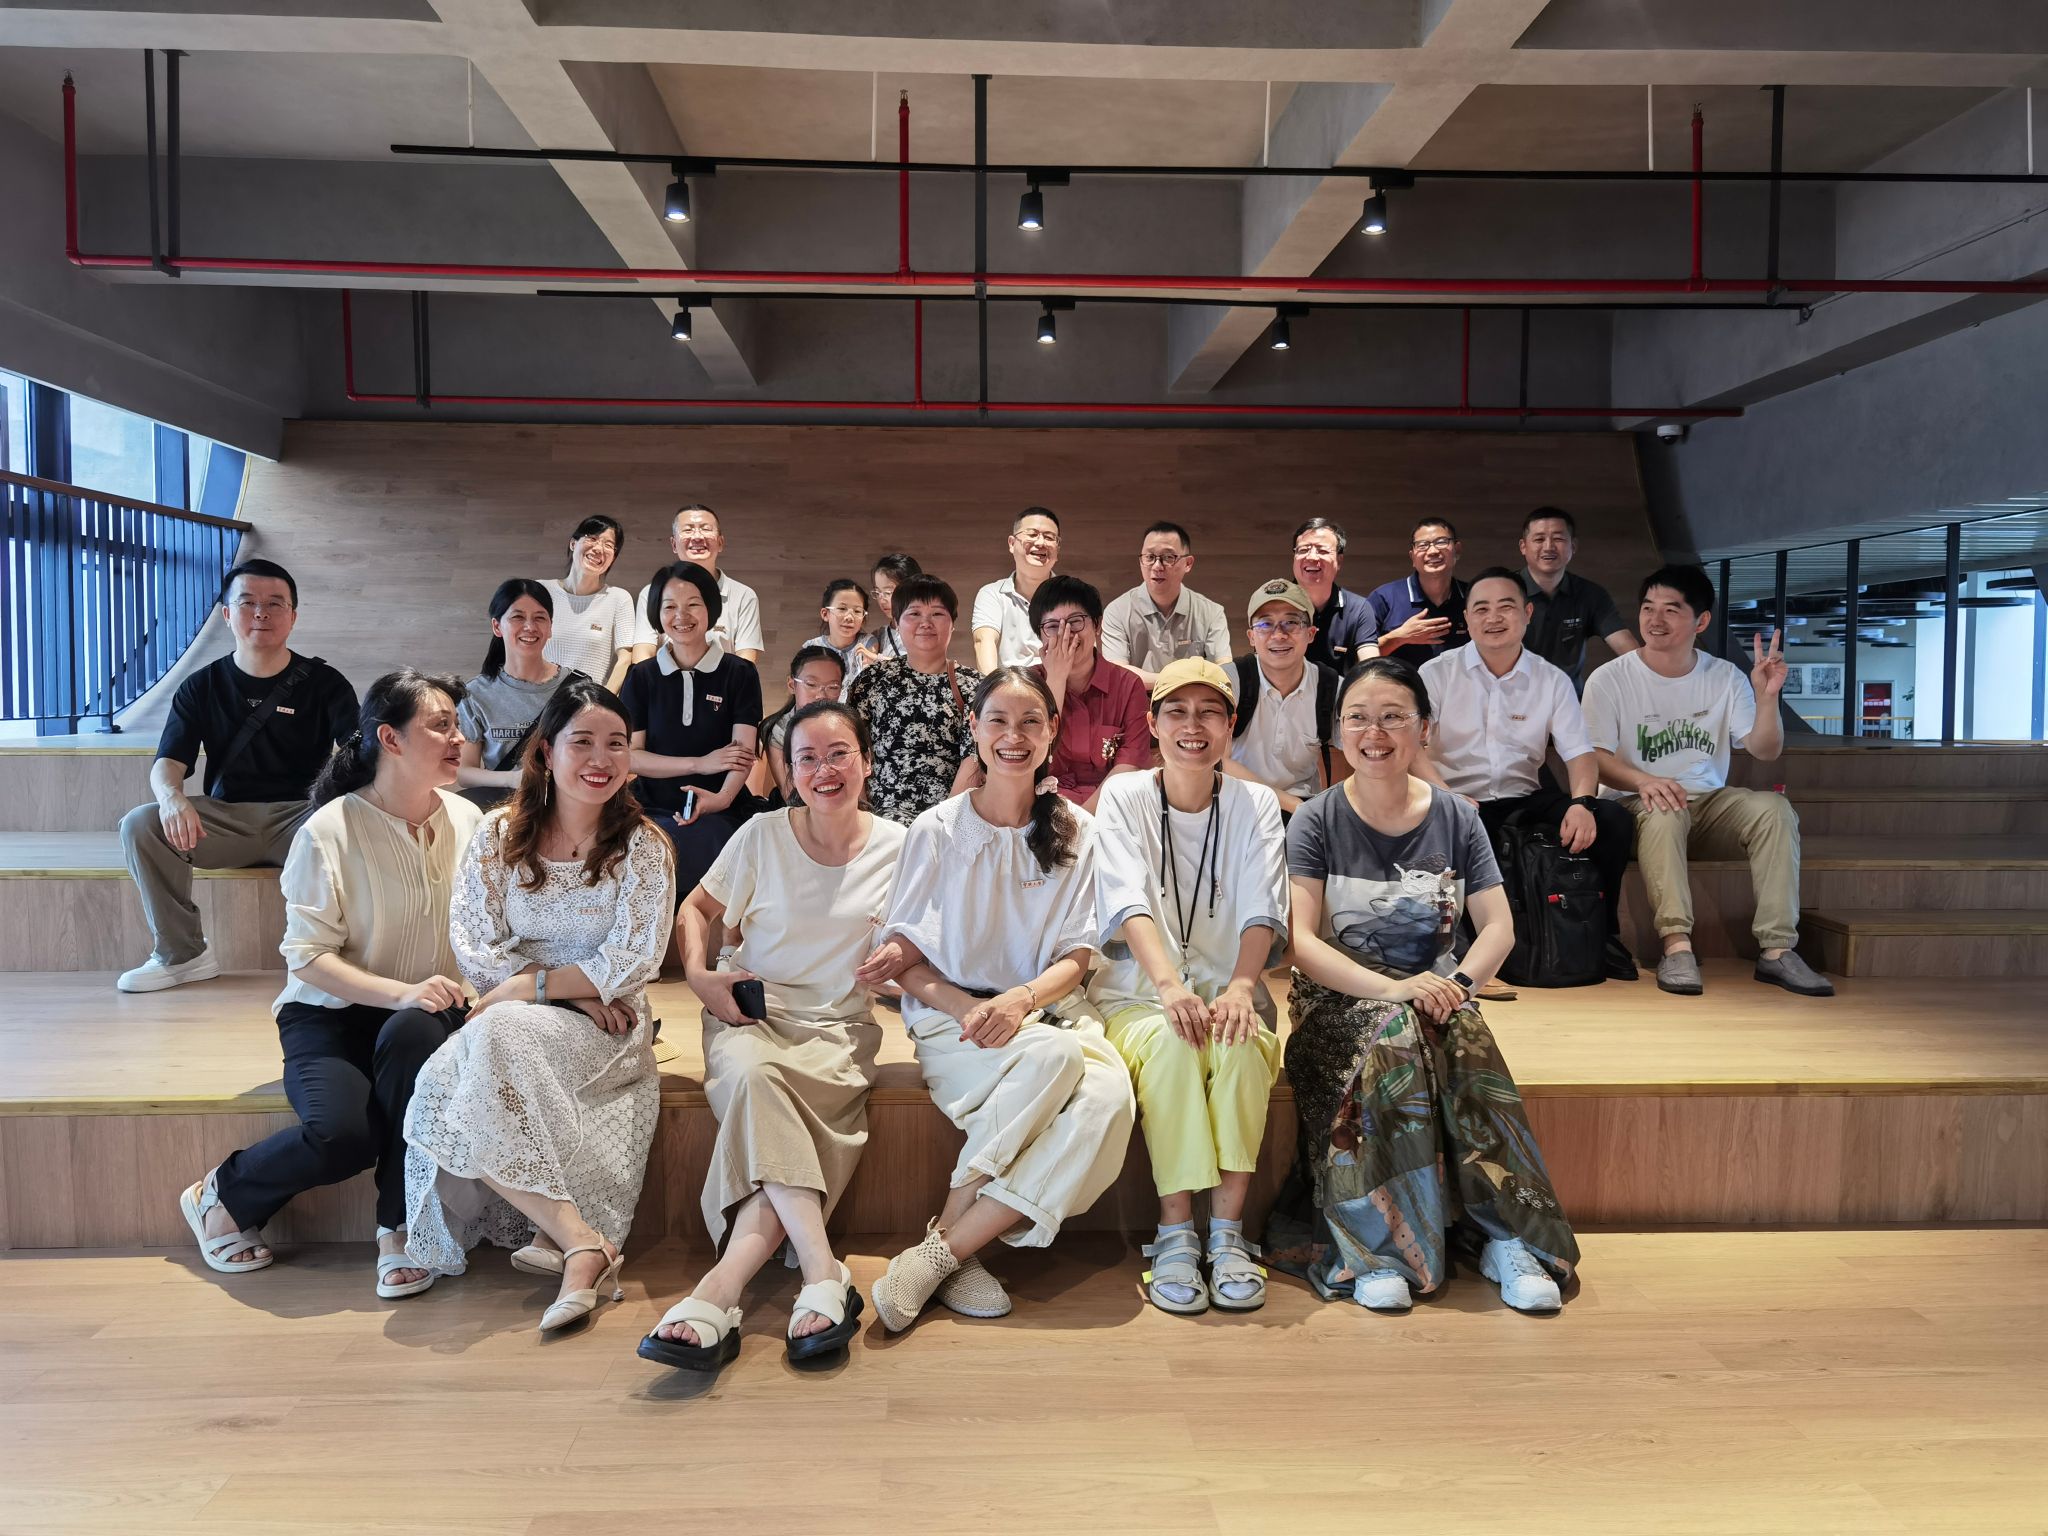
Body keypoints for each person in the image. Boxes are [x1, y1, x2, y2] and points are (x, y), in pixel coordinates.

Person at [1269, 657, 1578, 1315]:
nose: (1373, 733)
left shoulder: (1457, 817)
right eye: (1358, 718)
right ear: (1339, 731)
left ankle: (1507, 1238)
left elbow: (1497, 927)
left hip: (1436, 994)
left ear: (1424, 729)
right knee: (1396, 1036)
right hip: (1339, 1001)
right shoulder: (1318, 818)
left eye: (1392, 717)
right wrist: (1394, 991)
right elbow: (1301, 943)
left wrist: (1457, 985)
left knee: (1464, 1035)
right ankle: (1376, 1251)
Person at [178, 670, 480, 1299]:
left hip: (427, 1014)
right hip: (330, 1014)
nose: (459, 738)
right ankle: (223, 1194)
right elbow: (309, 959)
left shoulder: (469, 819)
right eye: (441, 725)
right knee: (346, 1136)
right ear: (390, 739)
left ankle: (398, 1229)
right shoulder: (328, 829)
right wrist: (400, 992)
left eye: (457, 724)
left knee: (413, 1037)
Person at [858, 667, 1136, 1333]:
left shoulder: (1077, 829)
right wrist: (968, 1008)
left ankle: (945, 1247)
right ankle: (957, 1252)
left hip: (1047, 1010)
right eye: (999, 722)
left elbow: (1077, 956)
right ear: (975, 731)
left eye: (1031, 722)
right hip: (954, 1021)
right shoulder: (937, 829)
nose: (1015, 736)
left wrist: (1019, 1001)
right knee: (1052, 1059)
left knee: (1109, 1098)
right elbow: (907, 962)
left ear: (1051, 733)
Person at [402, 677, 676, 1334]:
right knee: (479, 1049)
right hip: (542, 1009)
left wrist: (531, 989)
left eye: (616, 743)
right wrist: (557, 989)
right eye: (582, 742)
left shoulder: (645, 846)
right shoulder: (498, 833)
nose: (601, 759)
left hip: (609, 1026)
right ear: (546, 751)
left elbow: (634, 959)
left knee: (493, 1033)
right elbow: (475, 942)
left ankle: (573, 1242)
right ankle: (581, 1240)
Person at [640, 702, 908, 1370]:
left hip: (840, 1029)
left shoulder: (901, 846)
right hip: (751, 1012)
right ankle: (822, 1270)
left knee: (768, 1124)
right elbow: (695, 909)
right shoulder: (761, 835)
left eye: (839, 753)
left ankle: (722, 1286)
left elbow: (924, 945)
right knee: (756, 1076)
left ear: (867, 761)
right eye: (806, 758)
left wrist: (902, 959)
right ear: (787, 770)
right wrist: (699, 976)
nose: (823, 770)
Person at [1090, 659, 1288, 1316]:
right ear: (1152, 723)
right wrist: (1171, 987)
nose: (1192, 725)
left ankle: (1227, 1235)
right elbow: (1125, 900)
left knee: (1239, 1045)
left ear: (1231, 727)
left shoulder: (1256, 803)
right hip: (1139, 993)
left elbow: (1262, 906)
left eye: (1210, 712)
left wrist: (1240, 987)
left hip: (1235, 989)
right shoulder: (1124, 796)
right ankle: (1175, 1232)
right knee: (1175, 1046)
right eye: (1176, 711)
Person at [1583, 565, 1833, 998]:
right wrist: (1645, 781)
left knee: (1774, 809)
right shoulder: (1611, 678)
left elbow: (1765, 749)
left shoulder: (1725, 676)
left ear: (1701, 621)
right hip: (1635, 805)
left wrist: (1768, 697)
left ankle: (1778, 949)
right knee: (1664, 810)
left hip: (1708, 804)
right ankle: (1676, 945)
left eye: (1671, 610)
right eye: (1648, 608)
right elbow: (1594, 759)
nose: (1655, 620)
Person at [117, 559, 357, 994]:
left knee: (359, 818)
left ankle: (336, 957)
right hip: (226, 819)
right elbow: (169, 761)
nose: (261, 613)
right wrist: (172, 798)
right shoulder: (201, 686)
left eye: (275, 603)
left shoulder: (326, 683)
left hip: (302, 818)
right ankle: (182, 954)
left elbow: (359, 753)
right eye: (248, 603)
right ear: (227, 614)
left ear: (293, 616)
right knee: (141, 824)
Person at [1417, 568, 1639, 982]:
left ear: (1527, 613)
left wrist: (1582, 803)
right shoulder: (1436, 673)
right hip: (1456, 794)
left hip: (1525, 795)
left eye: (1506, 607)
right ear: (1467, 618)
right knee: (1444, 825)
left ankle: (1601, 934)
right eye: (1481, 609)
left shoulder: (1551, 679)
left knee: (1612, 821)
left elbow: (1579, 752)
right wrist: (1444, 793)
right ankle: (1461, 950)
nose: (1493, 618)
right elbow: (1413, 748)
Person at [619, 560, 762, 899]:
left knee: (712, 852)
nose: (681, 615)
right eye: (670, 607)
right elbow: (630, 757)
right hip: (651, 807)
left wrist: (721, 799)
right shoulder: (641, 676)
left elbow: (742, 753)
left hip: (722, 805)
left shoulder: (740, 673)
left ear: (710, 608)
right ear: (657, 614)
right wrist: (699, 763)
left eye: (693, 604)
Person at [847, 575, 982, 825]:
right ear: (897, 624)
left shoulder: (974, 685)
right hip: (878, 819)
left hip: (947, 819)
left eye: (937, 614)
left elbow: (974, 757)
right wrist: (861, 817)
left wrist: (942, 824)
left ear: (952, 624)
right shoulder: (872, 680)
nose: (926, 623)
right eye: (914, 614)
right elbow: (853, 749)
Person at [455, 579, 585, 808]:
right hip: (506, 811)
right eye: (518, 617)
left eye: (540, 618)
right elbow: (464, 772)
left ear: (550, 627)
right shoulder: (476, 694)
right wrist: (513, 779)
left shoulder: (577, 687)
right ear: (497, 627)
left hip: (568, 807)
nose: (530, 626)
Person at [1029, 575, 1153, 811]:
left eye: (1075, 621)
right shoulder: (1026, 683)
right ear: (1040, 635)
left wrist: (1084, 821)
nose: (1066, 634)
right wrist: (1055, 679)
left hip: (1110, 810)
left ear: (1097, 625)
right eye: (1053, 626)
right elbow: (1032, 755)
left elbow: (1128, 767)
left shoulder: (1128, 685)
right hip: (1041, 808)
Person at [1226, 578, 1342, 817]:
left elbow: (1365, 752)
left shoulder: (1332, 687)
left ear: (1311, 633)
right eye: (1265, 624)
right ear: (1251, 637)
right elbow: (1216, 759)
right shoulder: (1229, 681)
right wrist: (1295, 807)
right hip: (1238, 803)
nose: (1278, 635)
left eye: (1291, 622)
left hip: (1303, 806)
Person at [1098, 522, 1233, 689]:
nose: (1157, 566)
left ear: (1188, 563)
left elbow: (1224, 672)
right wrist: (1185, 679)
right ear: (1141, 561)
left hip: (1192, 701)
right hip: (1137, 700)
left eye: (1168, 557)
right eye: (1149, 557)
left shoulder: (1212, 612)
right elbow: (1118, 673)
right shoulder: (1117, 611)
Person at [1519, 506, 1640, 692]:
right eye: (1539, 539)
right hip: (1511, 699)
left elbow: (1624, 644)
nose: (1548, 546)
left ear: (1573, 546)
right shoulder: (1502, 591)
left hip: (1570, 700)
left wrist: (1648, 677)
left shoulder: (1591, 594)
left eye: (1558, 538)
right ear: (1523, 546)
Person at [629, 503, 765, 666]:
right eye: (688, 530)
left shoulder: (743, 596)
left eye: (706, 529)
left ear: (720, 542)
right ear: (674, 544)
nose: (697, 537)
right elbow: (643, 654)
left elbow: (746, 659)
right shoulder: (652, 592)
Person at [540, 514, 636, 691]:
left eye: (608, 545)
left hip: (590, 703)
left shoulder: (619, 598)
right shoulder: (540, 591)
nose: (599, 548)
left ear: (613, 557)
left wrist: (604, 701)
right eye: (592, 538)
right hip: (537, 699)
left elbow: (625, 659)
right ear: (573, 543)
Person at [752, 644, 849, 806]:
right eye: (811, 684)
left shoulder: (848, 727)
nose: (821, 695)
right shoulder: (779, 730)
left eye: (833, 687)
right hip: (802, 808)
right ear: (792, 685)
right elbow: (789, 793)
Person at [1366, 517, 1471, 662]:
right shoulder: (1384, 598)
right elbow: (1356, 658)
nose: (1433, 551)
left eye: (1441, 542)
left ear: (1457, 550)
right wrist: (1399, 637)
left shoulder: (1474, 596)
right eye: (1422, 545)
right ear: (1412, 557)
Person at [972, 506, 1061, 671]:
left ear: (1057, 549)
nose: (1040, 542)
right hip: (1009, 684)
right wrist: (994, 686)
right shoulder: (992, 594)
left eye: (1049, 537)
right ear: (1012, 544)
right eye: (1032, 534)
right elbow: (983, 641)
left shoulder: (1073, 596)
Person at [1289, 517, 1378, 675]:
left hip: (1341, 691)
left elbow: (1371, 667)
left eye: (1322, 550)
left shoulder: (1358, 608)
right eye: (1303, 550)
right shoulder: (1274, 604)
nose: (1311, 557)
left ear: (1339, 560)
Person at [803, 578, 872, 689]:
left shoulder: (868, 643)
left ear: (863, 619)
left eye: (857, 611)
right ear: (825, 614)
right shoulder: (811, 647)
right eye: (842, 608)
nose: (849, 617)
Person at [860, 552, 922, 663]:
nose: (882, 599)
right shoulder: (879, 636)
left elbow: (924, 665)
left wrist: (877, 658)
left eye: (888, 592)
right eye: (878, 592)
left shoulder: (926, 629)